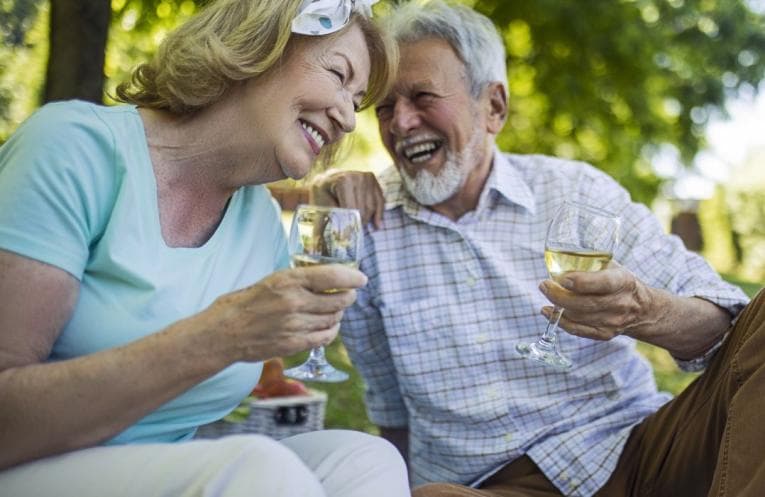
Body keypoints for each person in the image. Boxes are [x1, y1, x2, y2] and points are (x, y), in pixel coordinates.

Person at [312, 1, 765, 496]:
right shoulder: (367, 226)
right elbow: (389, 411)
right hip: (498, 486)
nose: (400, 123)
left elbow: (730, 332)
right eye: (384, 108)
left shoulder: (576, 193)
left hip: (642, 450)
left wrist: (645, 312)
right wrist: (327, 206)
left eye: (423, 97)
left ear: (494, 107)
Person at [0, 1, 411, 496]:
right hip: (28, 463)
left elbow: (280, 356)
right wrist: (219, 335)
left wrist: (327, 203)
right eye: (338, 74)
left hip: (159, 467)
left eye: (358, 98)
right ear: (260, 46)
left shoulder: (258, 222)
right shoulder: (74, 148)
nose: (348, 119)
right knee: (256, 469)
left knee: (365, 459)